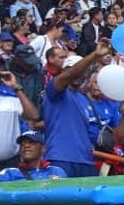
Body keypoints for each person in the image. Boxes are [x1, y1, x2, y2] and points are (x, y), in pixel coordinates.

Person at [42, 38, 111, 177]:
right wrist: (94, 55)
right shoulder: (54, 89)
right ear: (64, 71)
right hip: (61, 158)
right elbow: (69, 75)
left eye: (84, 72)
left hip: (86, 161)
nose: (80, 74)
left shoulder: (85, 99)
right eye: (75, 70)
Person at [0, 131, 68, 182]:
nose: (26, 146)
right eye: (22, 144)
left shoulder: (55, 171)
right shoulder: (9, 174)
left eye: (32, 143)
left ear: (43, 148)